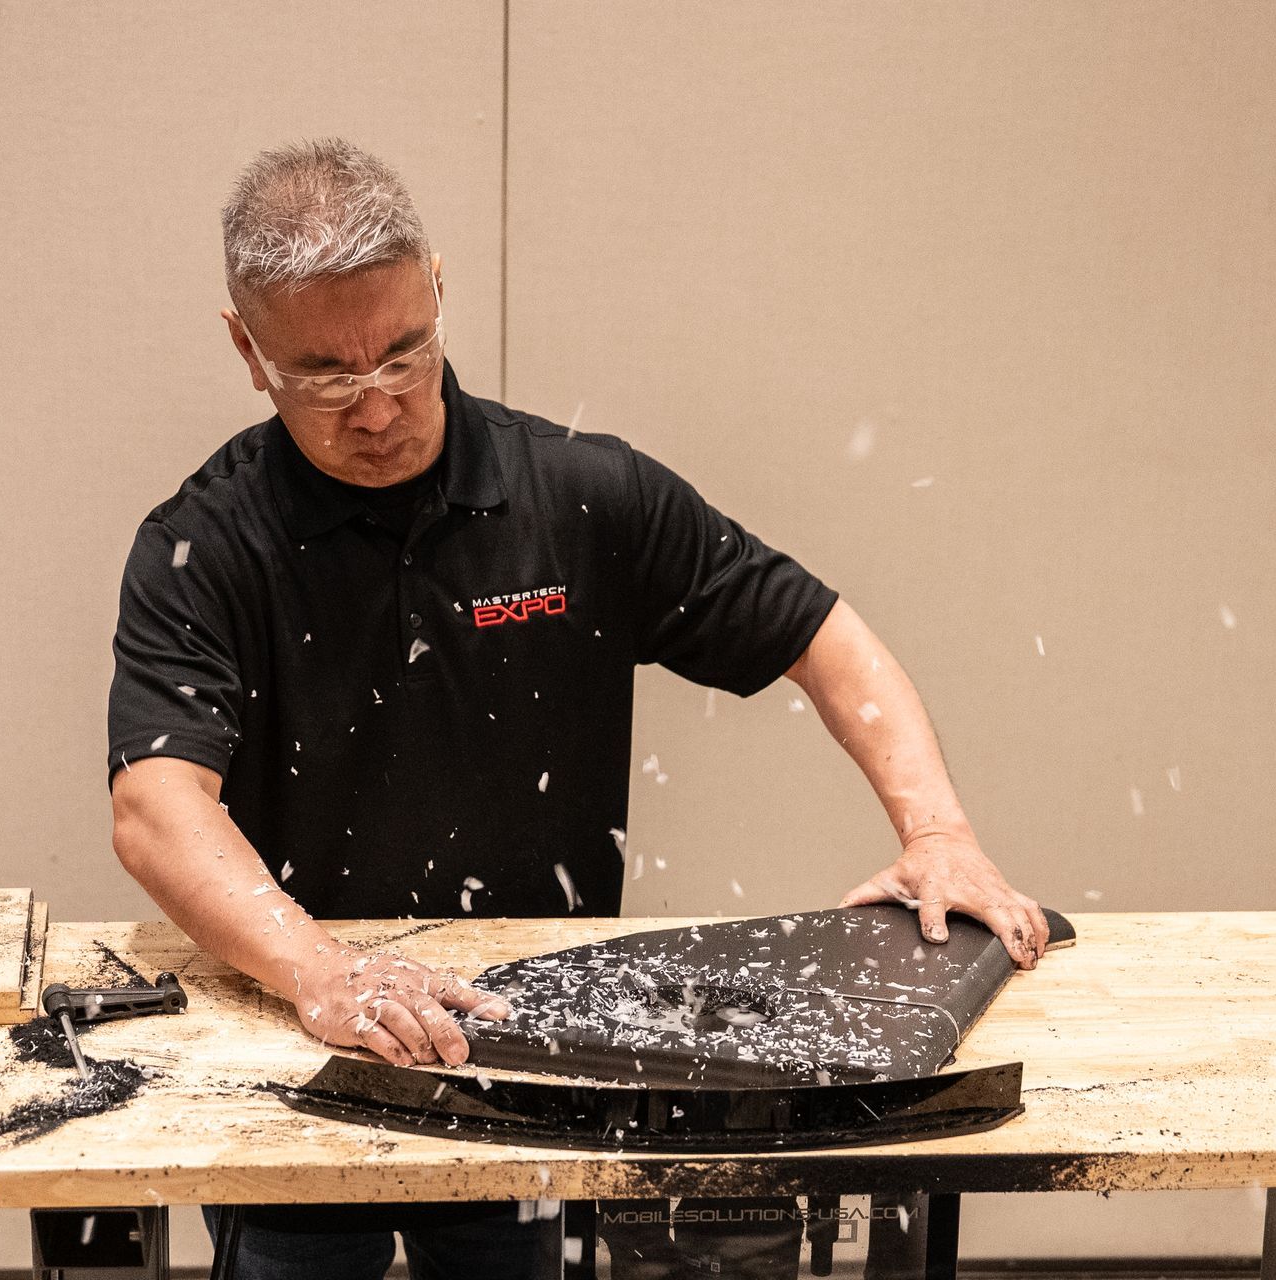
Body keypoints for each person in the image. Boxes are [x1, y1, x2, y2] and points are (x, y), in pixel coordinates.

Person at [108, 138, 1049, 1280]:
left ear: (439, 290)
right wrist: (322, 973)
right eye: (326, 375)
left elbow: (823, 636)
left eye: (404, 351)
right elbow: (158, 805)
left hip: (532, 1041)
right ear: (246, 350)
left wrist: (938, 832)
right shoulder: (202, 549)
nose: (378, 405)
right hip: (306, 1042)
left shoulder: (581, 498)